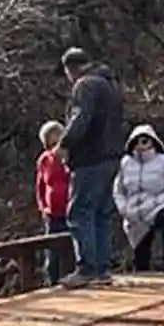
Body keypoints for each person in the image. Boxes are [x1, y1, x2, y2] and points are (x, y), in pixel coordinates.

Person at [58, 48, 124, 283]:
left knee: (81, 211)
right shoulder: (110, 84)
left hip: (90, 157)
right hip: (112, 155)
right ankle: (103, 268)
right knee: (102, 212)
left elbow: (81, 118)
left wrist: (64, 143)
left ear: (70, 69)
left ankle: (87, 268)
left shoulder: (85, 85)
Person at [115, 125, 164, 270]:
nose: (141, 145)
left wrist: (158, 201)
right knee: (141, 256)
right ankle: (141, 267)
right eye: (137, 141)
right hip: (133, 211)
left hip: (156, 205)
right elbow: (118, 190)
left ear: (153, 141)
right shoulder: (125, 163)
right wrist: (123, 208)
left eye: (145, 141)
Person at [34, 120, 72, 285]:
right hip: (52, 213)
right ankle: (52, 281)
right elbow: (40, 186)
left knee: (70, 250)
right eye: (50, 141)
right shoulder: (44, 160)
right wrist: (43, 207)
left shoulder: (71, 156)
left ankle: (72, 279)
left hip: (71, 211)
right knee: (52, 253)